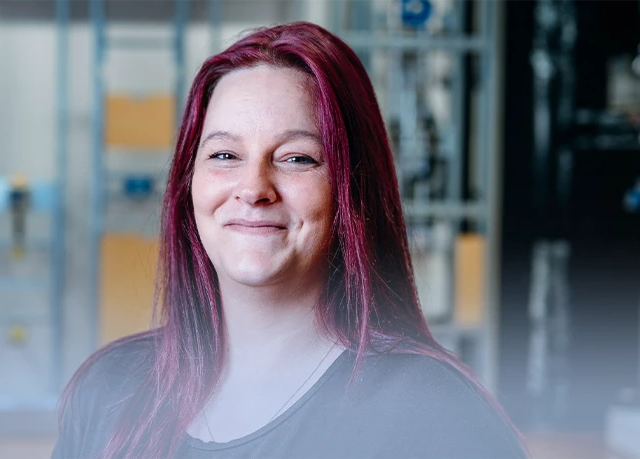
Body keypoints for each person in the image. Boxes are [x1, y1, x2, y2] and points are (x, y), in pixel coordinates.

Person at [53, 21, 529, 459]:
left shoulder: (433, 416)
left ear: (352, 190)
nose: (254, 188)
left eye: (297, 158)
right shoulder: (108, 391)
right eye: (224, 154)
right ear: (187, 184)